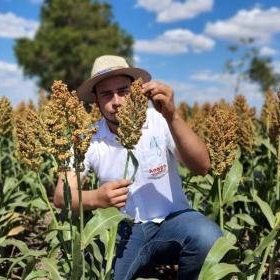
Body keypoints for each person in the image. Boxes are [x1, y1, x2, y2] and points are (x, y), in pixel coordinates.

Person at [53, 55, 222, 280]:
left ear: (135, 90)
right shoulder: (86, 139)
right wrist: (97, 198)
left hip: (172, 222)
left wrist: (172, 116)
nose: (117, 101)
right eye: (106, 94)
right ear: (95, 99)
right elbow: (60, 197)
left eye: (123, 91)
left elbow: (202, 166)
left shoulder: (159, 121)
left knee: (207, 237)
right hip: (122, 230)